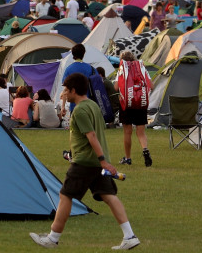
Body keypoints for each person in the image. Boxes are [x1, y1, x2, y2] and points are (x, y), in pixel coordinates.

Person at [29, 72, 140, 250]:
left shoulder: (80, 110)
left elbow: (92, 135)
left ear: (74, 90)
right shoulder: (93, 106)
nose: (64, 93)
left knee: (65, 195)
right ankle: (130, 236)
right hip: (96, 162)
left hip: (85, 163)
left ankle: (53, 238)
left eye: (66, 90)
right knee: (109, 196)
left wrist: (102, 161)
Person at [115, 50, 153, 167]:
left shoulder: (122, 70)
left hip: (127, 104)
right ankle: (145, 149)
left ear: (122, 60)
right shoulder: (142, 69)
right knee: (141, 132)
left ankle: (128, 158)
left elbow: (116, 87)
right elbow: (151, 85)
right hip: (140, 103)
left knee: (127, 132)